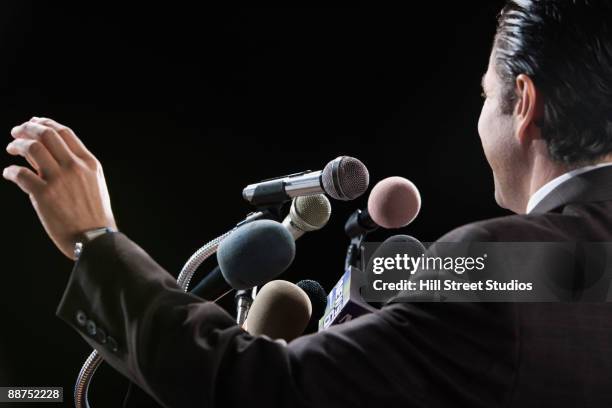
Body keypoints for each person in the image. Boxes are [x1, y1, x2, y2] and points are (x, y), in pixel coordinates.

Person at [4, 1, 612, 406]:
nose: (478, 115)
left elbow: (261, 388)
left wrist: (97, 242)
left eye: (485, 95)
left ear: (524, 103)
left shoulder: (504, 264)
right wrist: (391, 283)